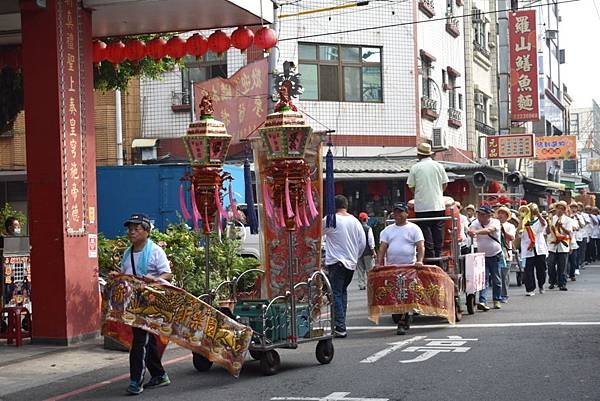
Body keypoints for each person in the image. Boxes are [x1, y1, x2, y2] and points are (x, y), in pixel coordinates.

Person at [114, 213, 173, 395]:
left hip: (151, 305)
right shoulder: (128, 252)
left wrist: (154, 279)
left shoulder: (155, 251)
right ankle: (159, 375)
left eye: (136, 229)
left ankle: (135, 381)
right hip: (134, 303)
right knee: (145, 341)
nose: (131, 232)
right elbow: (127, 276)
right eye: (130, 229)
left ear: (146, 232)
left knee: (140, 342)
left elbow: (167, 275)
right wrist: (118, 276)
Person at [323, 195, 366, 338]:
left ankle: (340, 326)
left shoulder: (331, 219)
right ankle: (341, 323)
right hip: (351, 262)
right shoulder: (355, 221)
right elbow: (362, 243)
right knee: (342, 292)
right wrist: (354, 257)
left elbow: (316, 234)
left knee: (335, 293)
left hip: (336, 261)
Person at [407, 142, 449, 259]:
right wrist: (438, 193)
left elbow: (411, 186)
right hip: (438, 205)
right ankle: (438, 257)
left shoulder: (415, 168)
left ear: (419, 155)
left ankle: (430, 259)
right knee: (438, 234)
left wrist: (420, 194)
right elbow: (445, 183)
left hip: (422, 207)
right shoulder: (438, 166)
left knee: (425, 235)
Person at [468, 205, 503, 310]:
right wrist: (470, 232)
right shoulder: (475, 223)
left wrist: (476, 232)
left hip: (495, 254)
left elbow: (489, 230)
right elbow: (470, 230)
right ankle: (482, 301)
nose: (480, 217)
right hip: (481, 255)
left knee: (496, 278)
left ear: (489, 215)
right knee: (483, 278)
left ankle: (497, 299)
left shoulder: (495, 222)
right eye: (479, 214)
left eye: (482, 215)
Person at [377, 202, 425, 267]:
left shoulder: (415, 228)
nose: (397, 214)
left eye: (400, 212)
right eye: (395, 212)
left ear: (407, 213)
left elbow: (420, 246)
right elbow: (382, 248)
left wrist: (419, 261)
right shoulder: (387, 230)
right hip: (391, 268)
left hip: (410, 267)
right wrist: (378, 263)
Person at [519, 203, 549, 296]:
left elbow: (544, 224)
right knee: (528, 270)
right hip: (528, 249)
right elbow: (519, 232)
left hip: (539, 248)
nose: (531, 213)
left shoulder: (538, 220)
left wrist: (538, 214)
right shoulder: (524, 222)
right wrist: (521, 218)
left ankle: (541, 285)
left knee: (541, 269)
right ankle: (530, 289)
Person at [547, 201, 572, 291]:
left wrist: (562, 227)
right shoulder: (551, 219)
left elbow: (569, 232)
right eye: (558, 208)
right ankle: (552, 281)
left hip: (563, 245)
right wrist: (547, 223)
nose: (560, 210)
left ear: (564, 210)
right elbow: (547, 232)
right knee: (550, 264)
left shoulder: (568, 220)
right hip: (552, 245)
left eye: (562, 209)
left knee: (562, 266)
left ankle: (562, 284)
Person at [496, 206, 515, 303]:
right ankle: (497, 295)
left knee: (504, 275)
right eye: (499, 213)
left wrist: (502, 230)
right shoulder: (494, 225)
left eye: (503, 213)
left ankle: (504, 295)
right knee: (496, 275)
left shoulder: (510, 226)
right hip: (495, 253)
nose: (500, 215)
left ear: (507, 216)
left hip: (506, 253)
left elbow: (511, 238)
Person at [356, 212, 376, 290]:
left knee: (360, 270)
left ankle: (361, 284)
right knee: (369, 270)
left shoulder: (357, 229)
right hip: (367, 252)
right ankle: (370, 284)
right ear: (366, 219)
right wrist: (373, 251)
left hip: (358, 252)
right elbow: (371, 241)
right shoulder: (368, 229)